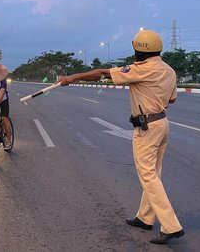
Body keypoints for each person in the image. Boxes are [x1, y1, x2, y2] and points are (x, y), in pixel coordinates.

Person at [56, 29, 184, 244]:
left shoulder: (142, 69)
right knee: (154, 173)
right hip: (162, 123)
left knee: (148, 176)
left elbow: (102, 73)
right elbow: (171, 100)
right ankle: (145, 218)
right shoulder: (169, 70)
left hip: (147, 127)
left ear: (140, 52)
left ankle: (171, 225)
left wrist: (72, 77)